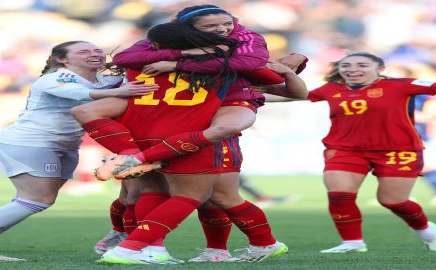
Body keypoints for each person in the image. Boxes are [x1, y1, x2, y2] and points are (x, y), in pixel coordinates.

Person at [71, 22, 307, 264]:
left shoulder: (139, 61)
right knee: (205, 197)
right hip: (194, 136)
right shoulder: (224, 64)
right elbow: (279, 82)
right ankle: (136, 247)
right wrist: (292, 63)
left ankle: (160, 248)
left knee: (153, 193)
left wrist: (129, 148)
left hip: (144, 133)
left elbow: (122, 59)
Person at [0, 41, 159, 263]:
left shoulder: (106, 80)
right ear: (62, 59)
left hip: (65, 145)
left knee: (38, 200)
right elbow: (80, 94)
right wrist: (122, 90)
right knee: (37, 199)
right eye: (83, 51)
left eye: (97, 50)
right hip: (31, 142)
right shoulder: (58, 77)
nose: (94, 54)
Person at [301, 51, 436, 253]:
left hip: (397, 150)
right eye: (346, 66)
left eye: (362, 65)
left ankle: (425, 230)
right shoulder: (330, 88)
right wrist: (248, 96)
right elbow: (294, 96)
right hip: (345, 149)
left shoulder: (402, 85)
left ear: (380, 69)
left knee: (393, 201)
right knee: (339, 195)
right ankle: (353, 242)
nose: (353, 69)